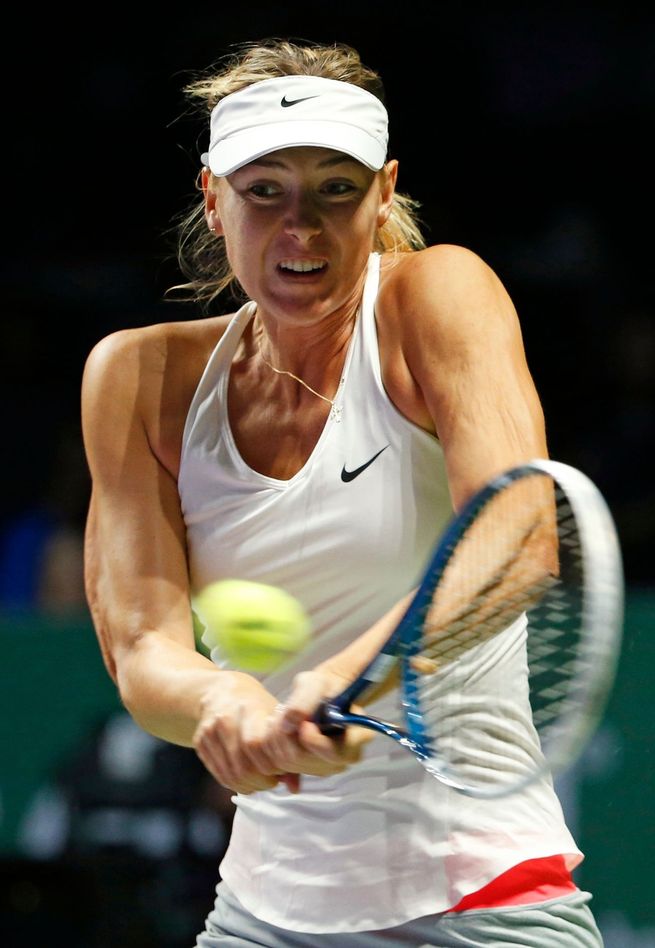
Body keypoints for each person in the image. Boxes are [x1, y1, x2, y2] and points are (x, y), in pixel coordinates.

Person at [81, 39, 604, 947]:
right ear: (212, 199)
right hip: (262, 912)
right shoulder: (138, 379)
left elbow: (517, 537)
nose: (302, 228)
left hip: (483, 895)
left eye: (337, 188)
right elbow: (139, 649)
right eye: (264, 191)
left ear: (384, 191)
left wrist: (348, 675)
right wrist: (222, 702)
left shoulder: (439, 297)